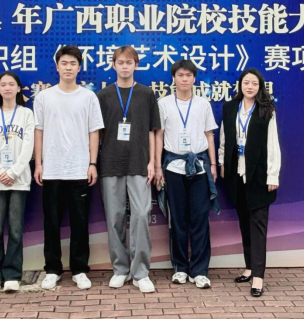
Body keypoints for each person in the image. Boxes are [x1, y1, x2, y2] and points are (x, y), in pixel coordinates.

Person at [33, 46, 104, 291]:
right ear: (57, 66)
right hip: (51, 169)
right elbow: (39, 131)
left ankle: (79, 269)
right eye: (64, 63)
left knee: (80, 222)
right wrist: (38, 163)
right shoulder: (44, 97)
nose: (68, 67)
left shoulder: (88, 97)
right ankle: (52, 269)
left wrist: (92, 163)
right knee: (51, 222)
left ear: (79, 67)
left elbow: (94, 131)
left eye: (73, 63)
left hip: (79, 169)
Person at [97, 46, 161, 294]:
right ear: (113, 65)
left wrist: (153, 162)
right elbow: (97, 133)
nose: (125, 66)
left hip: (139, 163)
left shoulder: (146, 94)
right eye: (120, 62)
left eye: (129, 62)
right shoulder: (103, 95)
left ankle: (141, 272)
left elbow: (152, 131)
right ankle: (120, 269)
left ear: (136, 65)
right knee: (114, 218)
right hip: (110, 163)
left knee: (141, 215)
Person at [154, 60, 220, 290]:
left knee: (200, 219)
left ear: (194, 78)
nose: (184, 79)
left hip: (199, 167)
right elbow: (159, 136)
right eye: (180, 75)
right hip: (173, 167)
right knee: (178, 220)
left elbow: (209, 135)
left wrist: (213, 164)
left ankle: (200, 271)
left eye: (189, 75)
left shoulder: (203, 104)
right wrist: (157, 167)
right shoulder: (163, 103)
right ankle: (180, 268)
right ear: (173, 78)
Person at [219, 68, 281, 298]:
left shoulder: (267, 110)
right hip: (236, 174)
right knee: (244, 224)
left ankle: (258, 277)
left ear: (260, 86)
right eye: (246, 82)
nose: (250, 87)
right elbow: (224, 138)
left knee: (258, 226)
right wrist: (222, 162)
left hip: (259, 175)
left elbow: (273, 143)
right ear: (240, 85)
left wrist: (273, 175)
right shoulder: (229, 108)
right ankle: (249, 267)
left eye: (254, 83)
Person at [0, 72, 35, 293]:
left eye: (11, 84)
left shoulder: (26, 114)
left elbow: (28, 147)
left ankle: (12, 275)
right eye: (3, 84)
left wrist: (12, 172)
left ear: (19, 88)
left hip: (18, 180)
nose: (7, 88)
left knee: (15, 229)